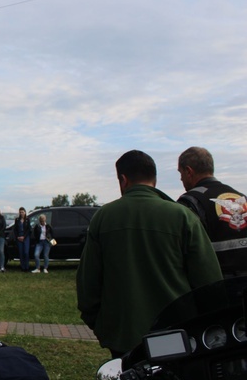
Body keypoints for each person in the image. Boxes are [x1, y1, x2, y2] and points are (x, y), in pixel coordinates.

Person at [77, 150, 222, 357]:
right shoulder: (182, 216)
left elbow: (88, 283)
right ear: (154, 178)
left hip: (123, 335)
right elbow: (209, 283)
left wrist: (100, 324)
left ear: (123, 179)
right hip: (175, 333)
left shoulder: (104, 217)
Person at [177, 146, 247, 276]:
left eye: (181, 174)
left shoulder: (190, 202)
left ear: (188, 171)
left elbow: (181, 251)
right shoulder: (242, 197)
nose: (181, 179)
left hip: (216, 286)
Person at [12, 207, 32, 272]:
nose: (21, 213)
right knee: (21, 253)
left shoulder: (27, 220)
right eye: (20, 212)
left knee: (26, 252)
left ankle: (27, 267)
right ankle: (22, 267)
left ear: (25, 212)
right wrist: (17, 237)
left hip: (26, 237)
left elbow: (29, 229)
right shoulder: (17, 220)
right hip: (19, 237)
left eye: (22, 212)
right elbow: (15, 229)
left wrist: (24, 237)